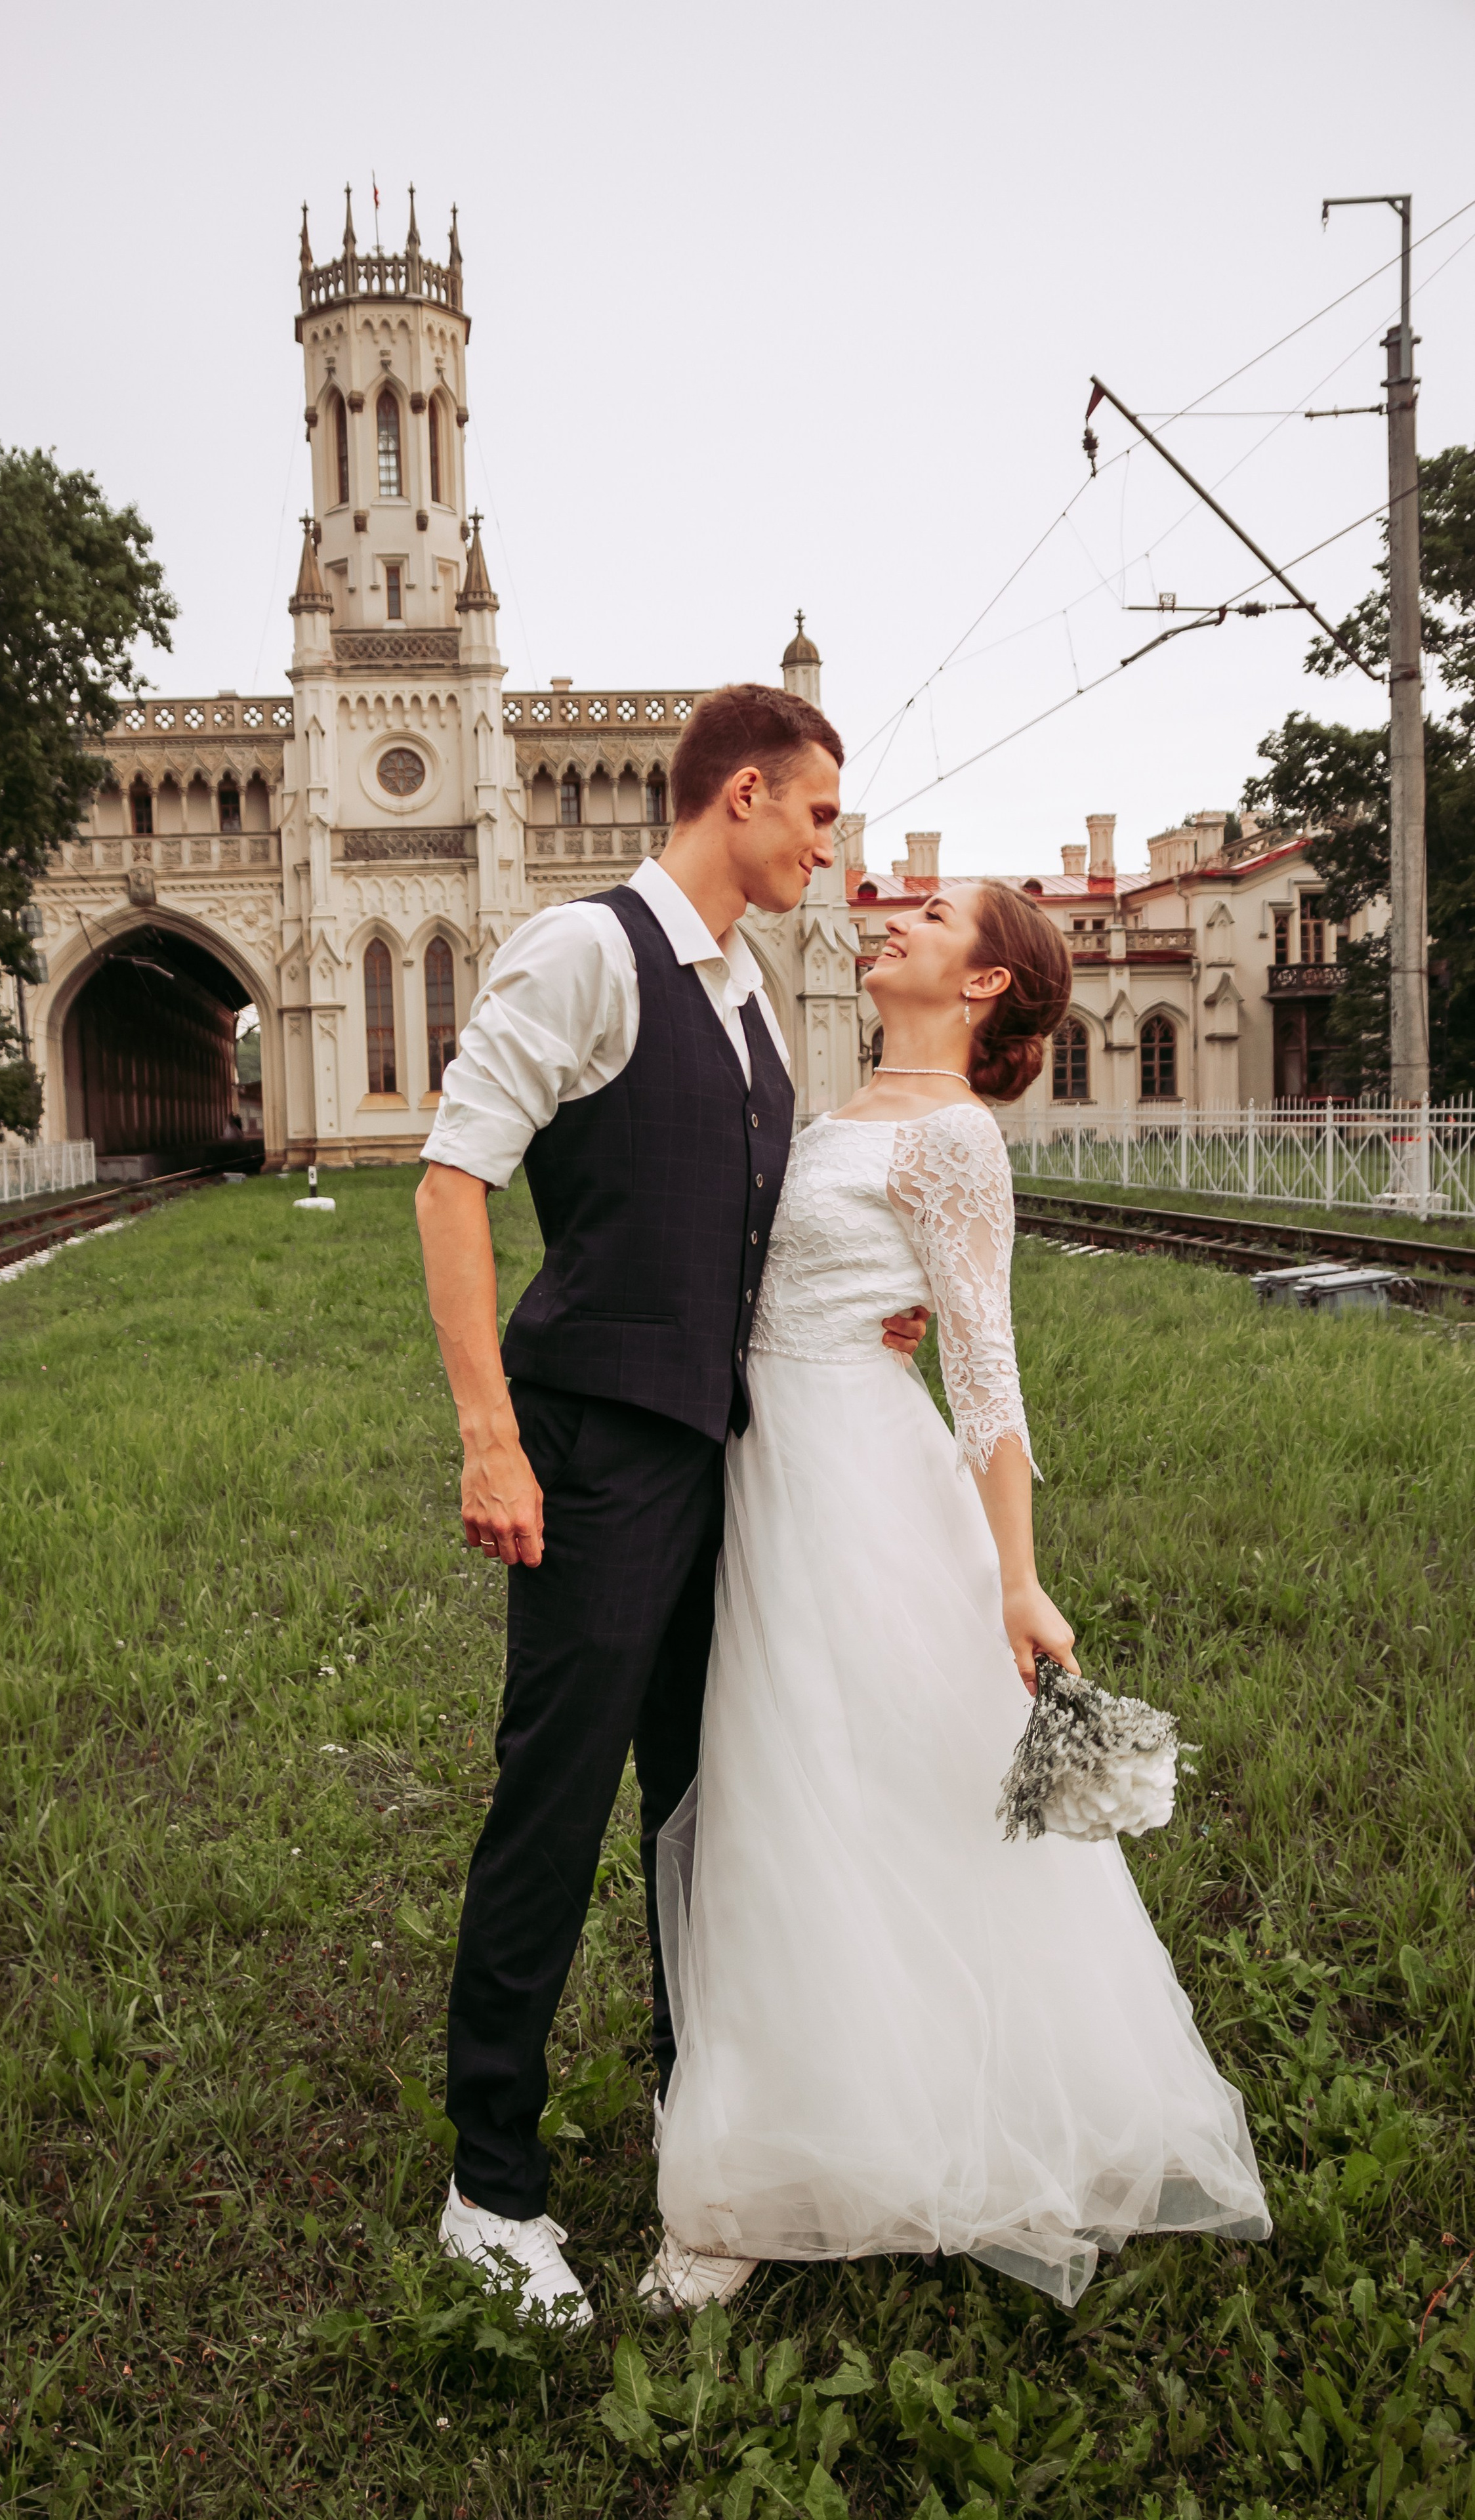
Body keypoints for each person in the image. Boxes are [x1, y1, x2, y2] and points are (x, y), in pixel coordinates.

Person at [648, 878, 1271, 2311]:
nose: (895, 922)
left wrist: (1018, 1582)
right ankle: (782, 2128)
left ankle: (787, 2163)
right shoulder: (833, 1116)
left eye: (930, 917)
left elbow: (982, 1367)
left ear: (982, 983)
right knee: (779, 1787)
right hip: (769, 1469)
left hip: (858, 1482)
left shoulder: (951, 1140)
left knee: (845, 1790)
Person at [413, 684, 929, 2325]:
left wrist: (866, 1309)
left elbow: (745, 1222)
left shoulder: (751, 996)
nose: (826, 846)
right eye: (820, 817)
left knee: (706, 1808)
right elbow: (449, 1183)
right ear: (746, 797)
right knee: (553, 1804)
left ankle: (688, 2106)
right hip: (596, 1455)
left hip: (724, 1456)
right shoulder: (584, 952)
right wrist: (489, 1438)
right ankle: (488, 2186)